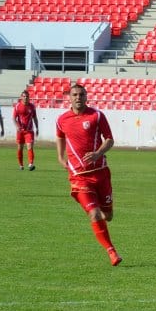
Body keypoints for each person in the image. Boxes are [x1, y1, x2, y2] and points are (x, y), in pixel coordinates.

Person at [56, 83, 122, 266]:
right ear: (69, 97)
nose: (78, 97)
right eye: (75, 94)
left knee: (107, 215)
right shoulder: (62, 120)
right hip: (79, 178)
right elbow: (60, 138)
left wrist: (98, 154)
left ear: (86, 97)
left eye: (81, 94)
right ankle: (112, 252)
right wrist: (61, 160)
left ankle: (106, 211)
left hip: (100, 174)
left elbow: (109, 139)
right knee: (94, 214)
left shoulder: (97, 116)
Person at [13, 90, 39, 171]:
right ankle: (21, 165)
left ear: (29, 97)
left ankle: (31, 164)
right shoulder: (17, 106)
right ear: (21, 97)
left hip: (29, 131)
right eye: (24, 96)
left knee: (29, 146)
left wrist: (37, 127)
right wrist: (17, 126)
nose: (25, 98)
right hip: (20, 131)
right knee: (20, 148)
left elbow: (35, 118)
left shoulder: (32, 107)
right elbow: (14, 118)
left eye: (27, 96)